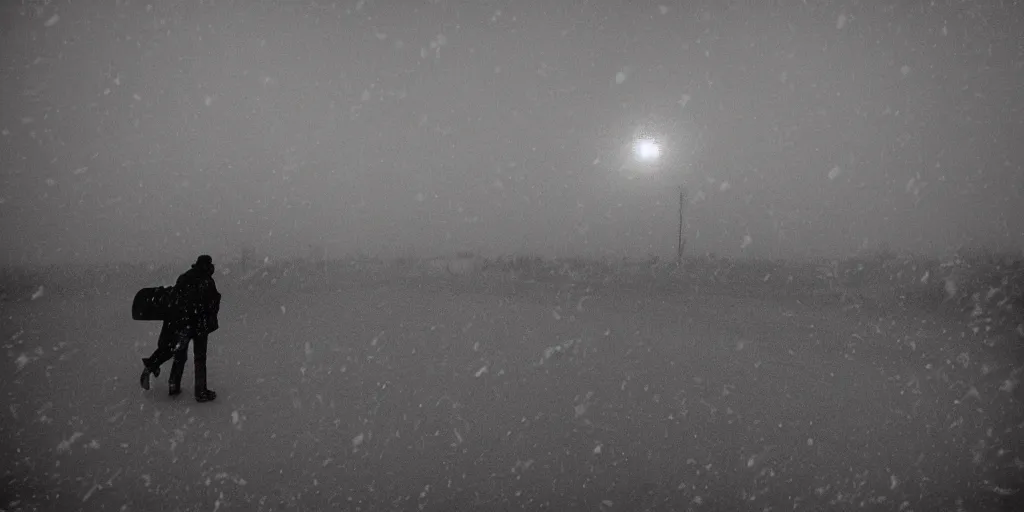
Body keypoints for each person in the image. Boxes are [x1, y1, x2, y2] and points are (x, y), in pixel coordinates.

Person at [140, 255, 221, 402]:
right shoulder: (207, 281)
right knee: (200, 358)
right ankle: (200, 391)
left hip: (182, 324)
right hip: (200, 326)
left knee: (179, 356)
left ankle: (173, 384)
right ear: (208, 266)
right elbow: (212, 303)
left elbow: (175, 300)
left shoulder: (184, 277)